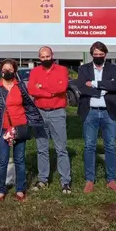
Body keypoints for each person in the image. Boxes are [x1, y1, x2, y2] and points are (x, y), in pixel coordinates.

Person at [0, 59, 42, 202]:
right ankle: (1, 190)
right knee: (2, 161)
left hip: (20, 127)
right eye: (4, 69)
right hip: (2, 128)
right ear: (0, 71)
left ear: (15, 71)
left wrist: (32, 121)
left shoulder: (21, 86)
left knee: (20, 160)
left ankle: (20, 189)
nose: (7, 72)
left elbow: (29, 105)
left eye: (10, 69)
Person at [75, 41, 116, 193]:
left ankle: (111, 179)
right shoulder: (83, 69)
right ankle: (90, 180)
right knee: (89, 146)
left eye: (101, 55)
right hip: (90, 111)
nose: (98, 57)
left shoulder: (114, 68)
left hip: (109, 111)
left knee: (110, 145)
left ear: (105, 55)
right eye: (95, 54)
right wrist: (102, 90)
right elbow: (82, 87)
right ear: (91, 55)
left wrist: (95, 84)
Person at [28, 46, 72, 194]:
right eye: (42, 57)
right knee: (41, 149)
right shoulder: (35, 71)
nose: (45, 59)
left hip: (57, 112)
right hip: (40, 112)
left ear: (52, 55)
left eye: (47, 56)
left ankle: (65, 181)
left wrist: (42, 88)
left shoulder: (62, 70)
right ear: (39, 58)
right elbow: (31, 90)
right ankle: (43, 179)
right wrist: (50, 91)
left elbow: (62, 87)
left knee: (61, 149)